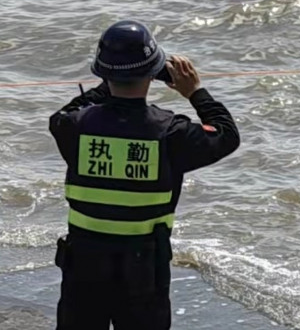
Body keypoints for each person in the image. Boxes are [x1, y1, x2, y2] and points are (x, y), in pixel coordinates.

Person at [48, 20, 240, 329]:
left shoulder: (73, 127)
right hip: (143, 270)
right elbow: (226, 135)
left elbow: (63, 114)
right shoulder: (172, 133)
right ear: (153, 73)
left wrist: (109, 83)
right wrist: (195, 92)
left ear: (103, 72)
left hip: (83, 266)